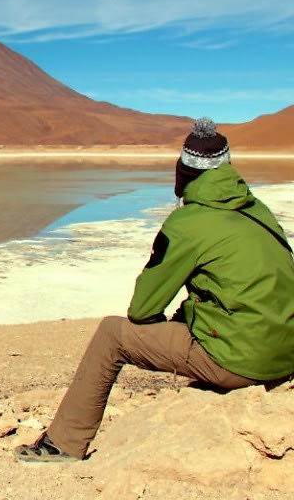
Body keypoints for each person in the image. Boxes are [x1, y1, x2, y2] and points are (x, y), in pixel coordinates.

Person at [16, 117, 294, 463]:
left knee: (111, 334)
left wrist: (170, 327)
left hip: (243, 361)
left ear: (184, 173)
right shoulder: (259, 211)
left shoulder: (188, 223)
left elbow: (143, 309)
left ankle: (63, 444)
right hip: (285, 356)